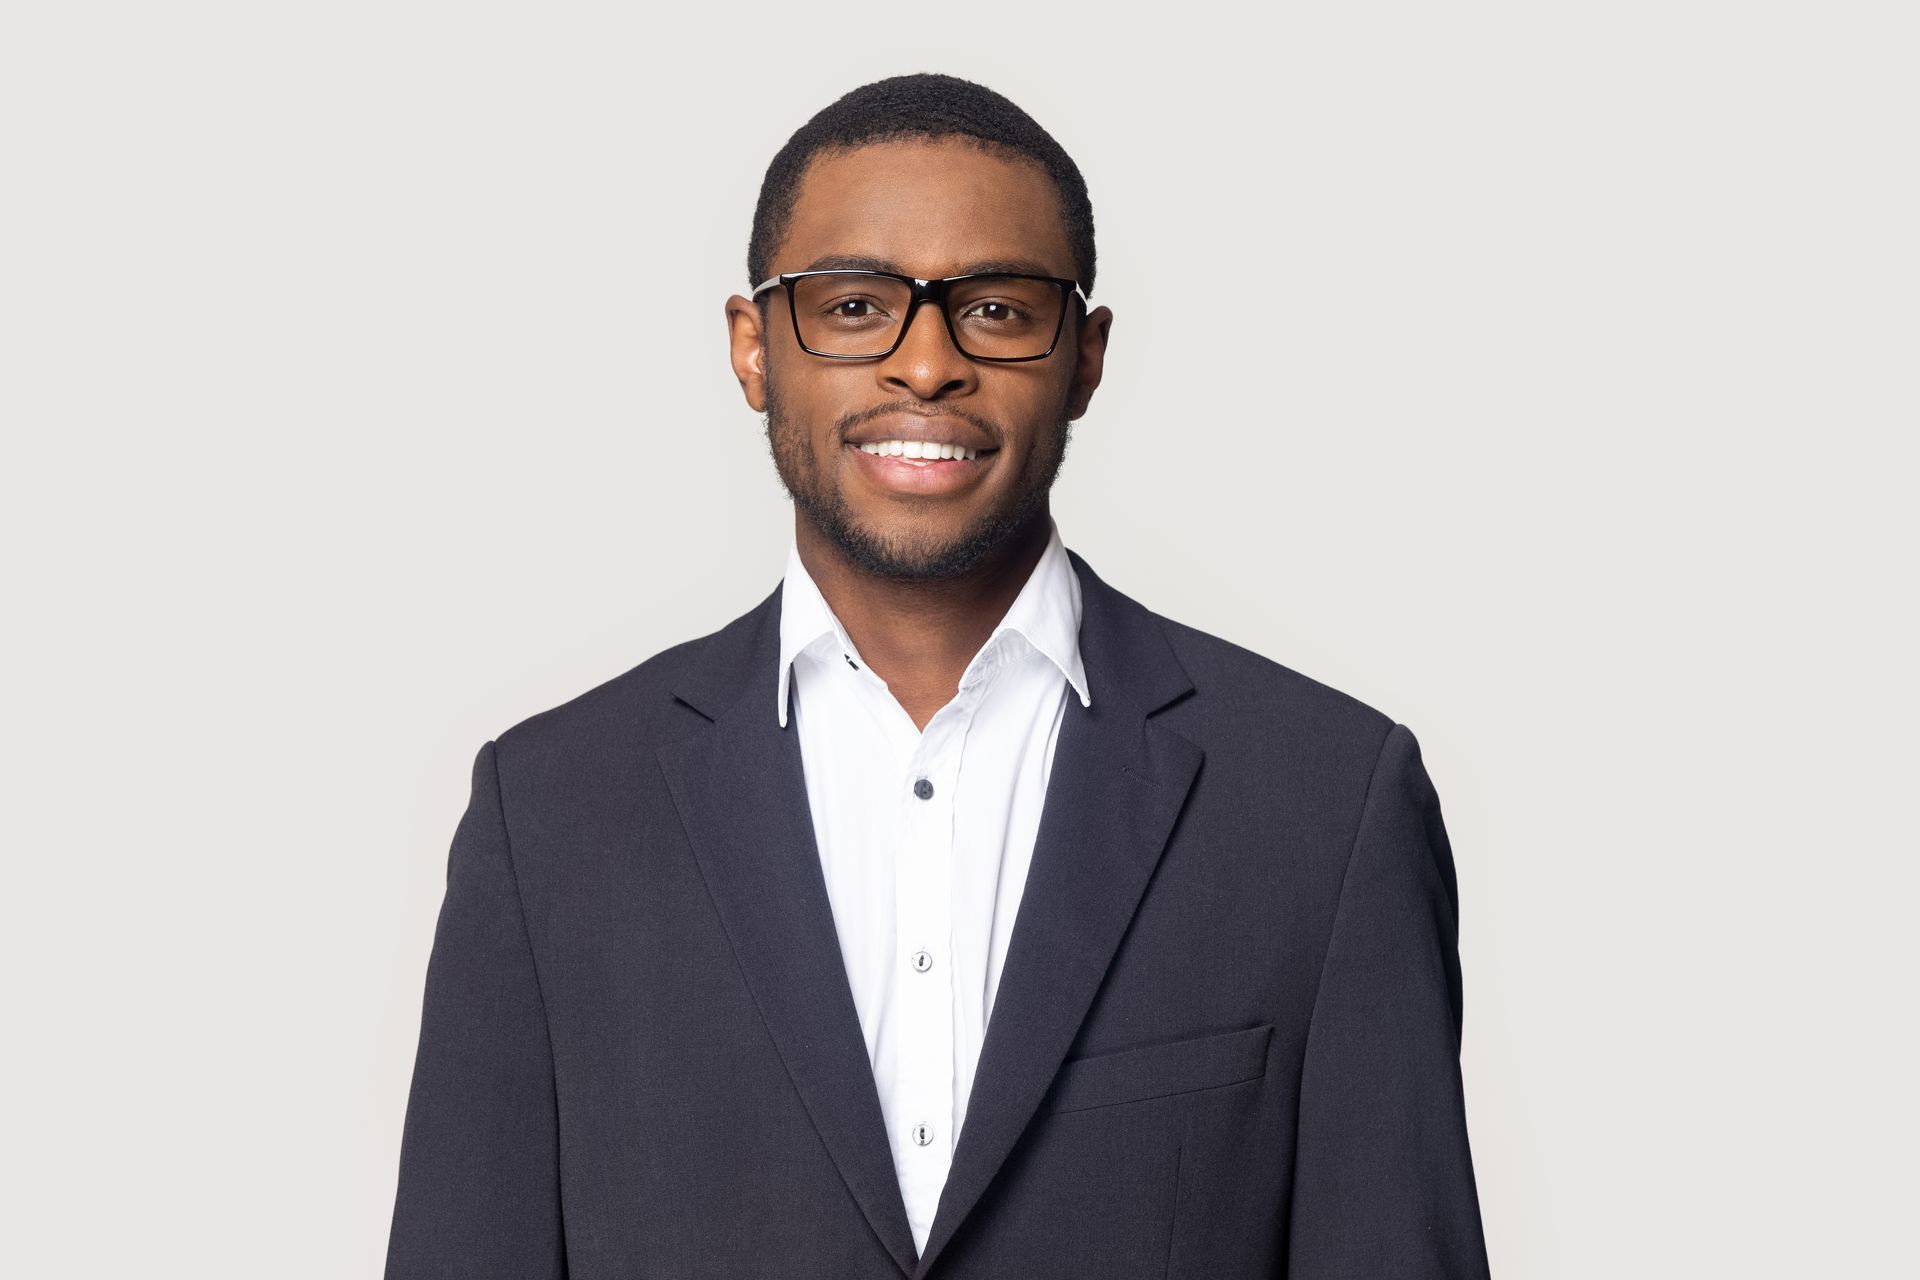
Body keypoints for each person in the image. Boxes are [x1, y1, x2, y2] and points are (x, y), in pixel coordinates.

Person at [384, 72, 1492, 1280]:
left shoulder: (1325, 803)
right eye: (855, 305)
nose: (925, 364)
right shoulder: (549, 815)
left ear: (1085, 357)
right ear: (753, 349)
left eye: (998, 310)